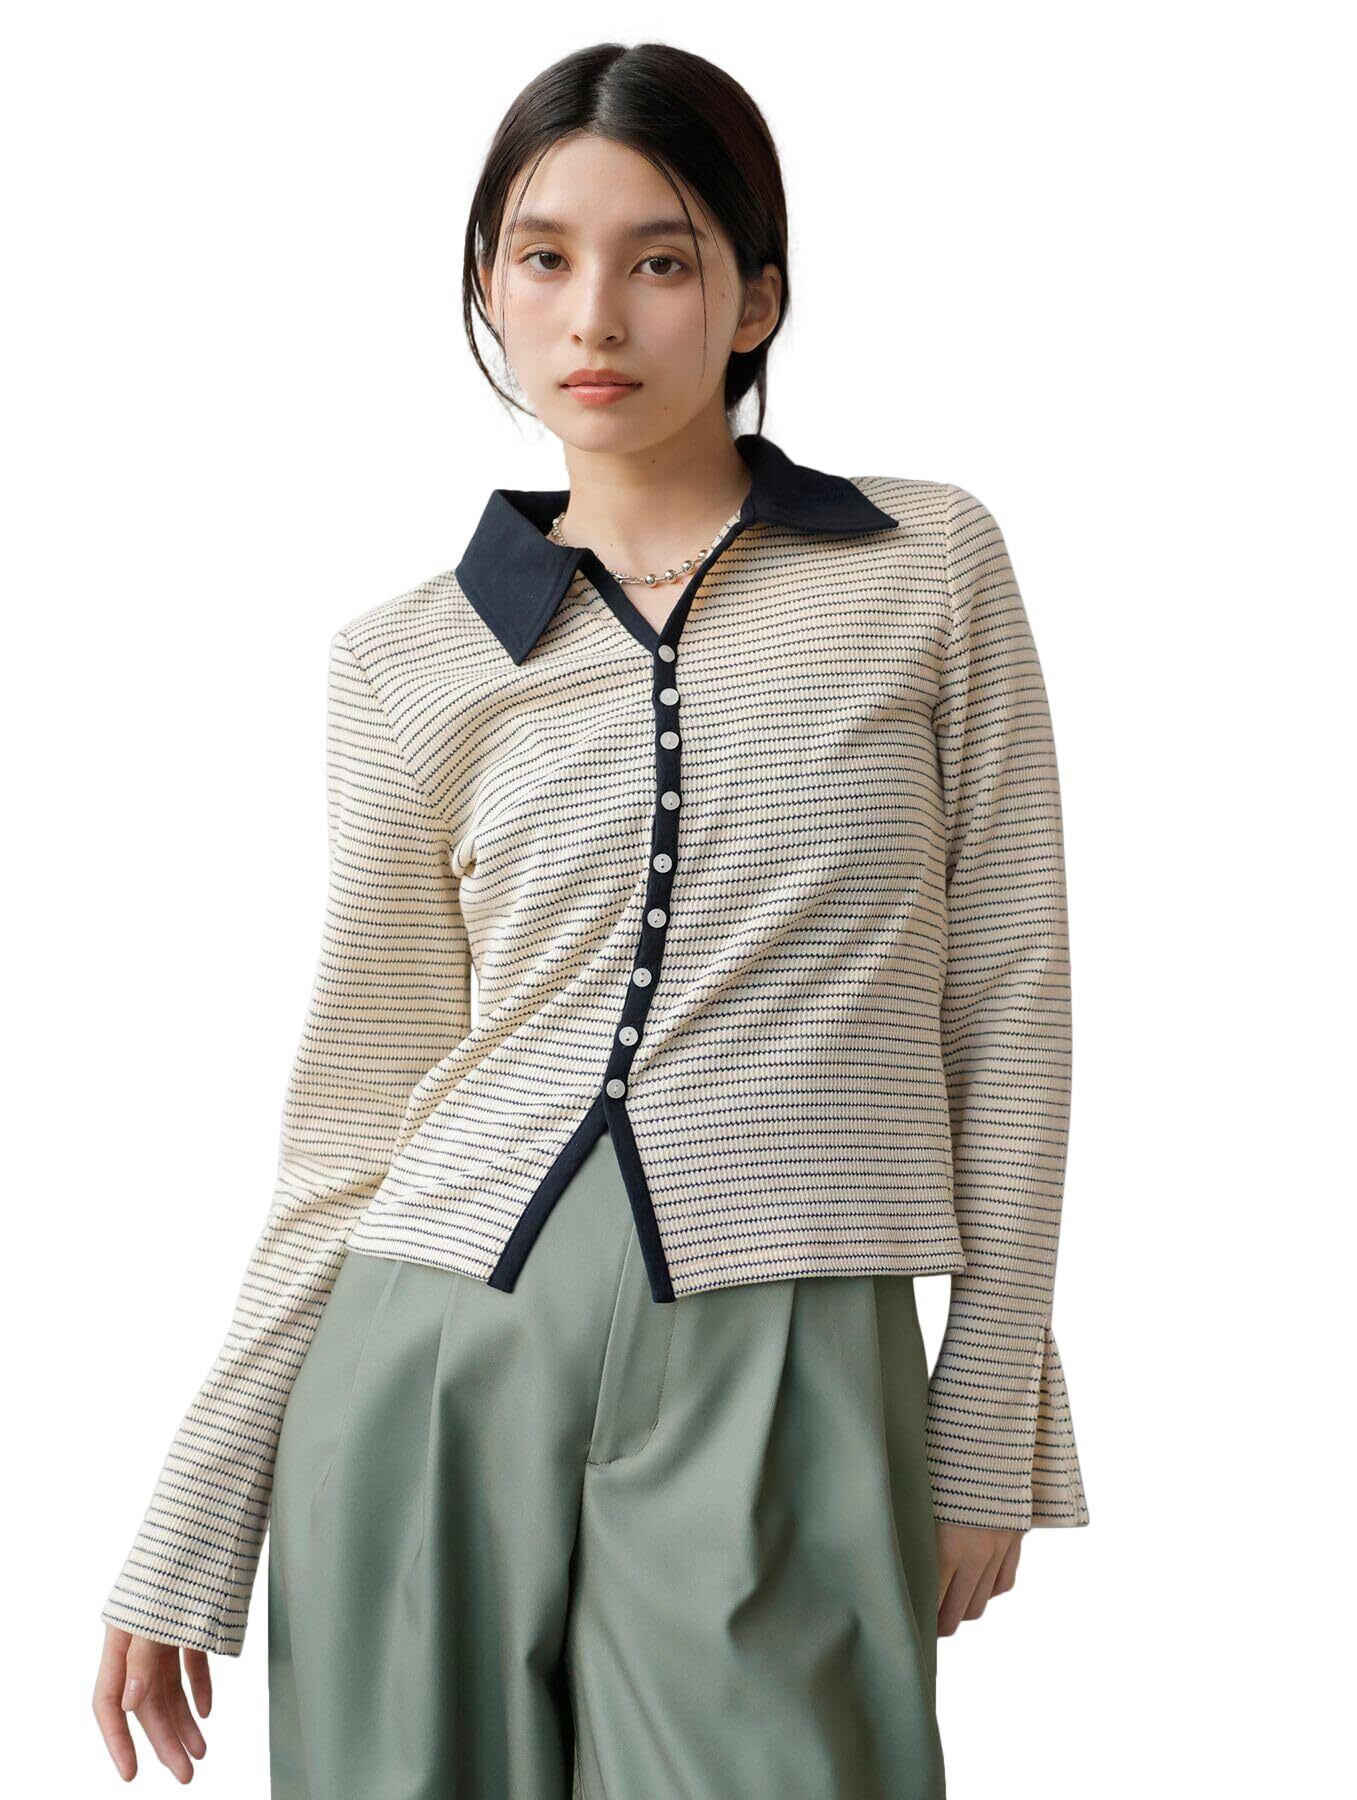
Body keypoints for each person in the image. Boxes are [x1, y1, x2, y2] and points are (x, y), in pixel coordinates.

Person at [93, 39, 1089, 1798]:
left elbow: (1007, 993)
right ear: (489, 288)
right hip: (428, 1354)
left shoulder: (925, 566)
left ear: (756, 297)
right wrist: (194, 1514)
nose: (596, 316)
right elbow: (356, 1111)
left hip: (786, 1348)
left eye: (662, 258)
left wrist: (991, 1415)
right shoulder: (408, 661)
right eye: (544, 258)